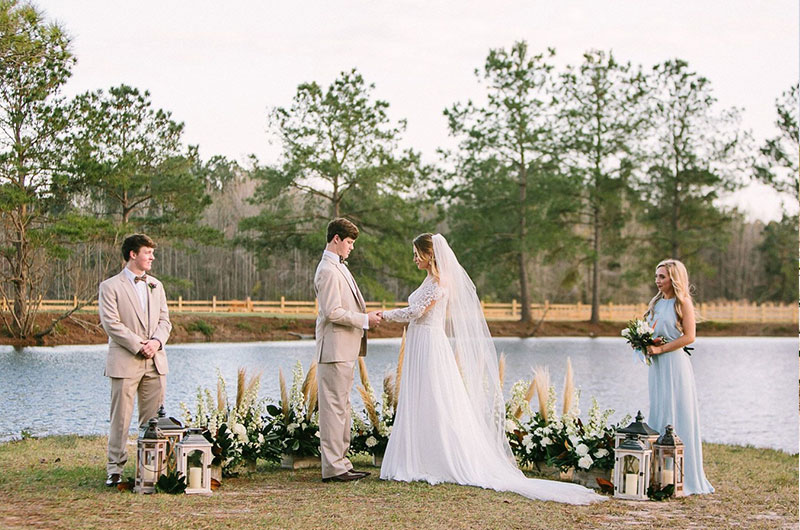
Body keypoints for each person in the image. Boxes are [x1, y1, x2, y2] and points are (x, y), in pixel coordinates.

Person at [378, 233, 605, 504]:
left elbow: (415, 313)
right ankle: (419, 454)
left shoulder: (439, 283)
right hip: (420, 341)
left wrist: (384, 315)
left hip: (429, 343)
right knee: (421, 397)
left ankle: (437, 457)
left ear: (430, 255)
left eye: (417, 253)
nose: (414, 258)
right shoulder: (429, 280)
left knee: (435, 396)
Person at [98, 234, 172, 487]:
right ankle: (115, 470)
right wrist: (139, 345)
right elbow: (111, 324)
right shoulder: (109, 286)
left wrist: (156, 343)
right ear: (132, 254)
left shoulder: (156, 285)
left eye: (152, 253)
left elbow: (165, 321)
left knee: (153, 421)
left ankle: (150, 469)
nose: (152, 257)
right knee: (121, 418)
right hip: (125, 360)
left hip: (155, 361)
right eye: (147, 253)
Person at [314, 218, 383, 482]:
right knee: (333, 410)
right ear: (336, 239)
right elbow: (332, 312)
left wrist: (365, 316)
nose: (351, 248)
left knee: (341, 407)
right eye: (350, 242)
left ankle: (341, 463)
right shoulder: (328, 270)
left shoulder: (338, 267)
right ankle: (333, 468)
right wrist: (365, 320)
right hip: (333, 351)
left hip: (343, 350)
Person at [644, 259, 714, 495]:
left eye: (662, 277)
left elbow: (690, 337)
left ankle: (684, 477)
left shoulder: (682, 302)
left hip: (674, 363)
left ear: (673, 278)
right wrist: (643, 344)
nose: (657, 280)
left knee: (677, 411)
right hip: (657, 365)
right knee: (659, 408)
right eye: (656, 276)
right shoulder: (655, 302)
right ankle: (657, 475)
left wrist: (662, 349)